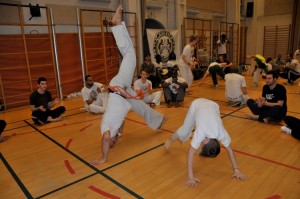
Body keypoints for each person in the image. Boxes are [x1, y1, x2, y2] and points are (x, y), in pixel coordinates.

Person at [91, 5, 165, 165]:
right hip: (124, 94)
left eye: (111, 143)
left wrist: (104, 158)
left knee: (130, 54)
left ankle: (117, 24)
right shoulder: (115, 128)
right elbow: (121, 118)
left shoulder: (106, 130)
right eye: (113, 143)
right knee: (140, 107)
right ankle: (158, 121)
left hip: (118, 86)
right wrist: (119, 135)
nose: (112, 143)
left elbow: (105, 139)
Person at [165, 98, 247, 186]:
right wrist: (190, 177)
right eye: (201, 147)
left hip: (213, 105)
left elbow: (230, 150)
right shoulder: (201, 132)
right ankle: (170, 139)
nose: (199, 147)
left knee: (191, 133)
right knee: (185, 130)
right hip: (197, 104)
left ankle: (179, 139)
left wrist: (237, 170)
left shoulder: (221, 133)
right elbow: (190, 154)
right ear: (206, 141)